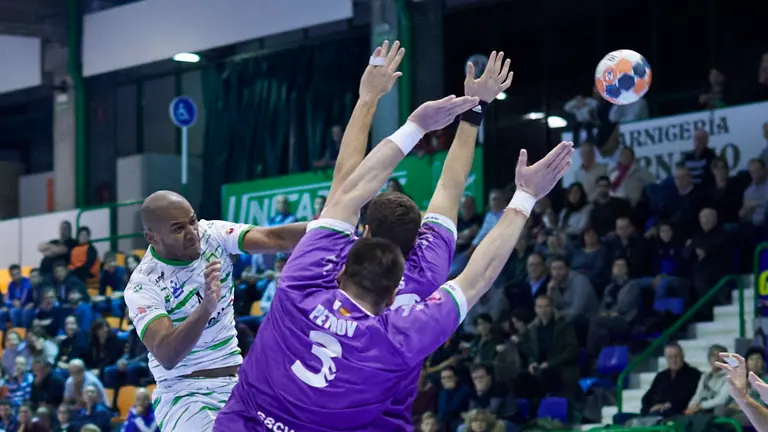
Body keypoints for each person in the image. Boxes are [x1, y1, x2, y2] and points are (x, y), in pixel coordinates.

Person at [214, 90, 573, 429]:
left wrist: (412, 124)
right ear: (390, 300)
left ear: (344, 266)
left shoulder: (299, 284)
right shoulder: (402, 330)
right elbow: (477, 275)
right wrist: (524, 196)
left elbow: (347, 192)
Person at [123, 190, 307, 432]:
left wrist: (334, 230)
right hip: (184, 394)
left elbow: (274, 237)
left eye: (192, 221)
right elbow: (167, 354)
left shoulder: (213, 234)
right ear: (152, 238)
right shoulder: (143, 285)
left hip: (238, 385)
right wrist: (206, 308)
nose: (192, 234)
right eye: (178, 229)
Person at [716, 352, 768, 431]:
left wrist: (742, 404)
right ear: (747, 362)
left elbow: (764, 403)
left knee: (735, 419)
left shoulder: (765, 379)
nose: (755, 362)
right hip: (735, 408)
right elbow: (729, 399)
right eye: (752, 359)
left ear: (763, 362)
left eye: (758, 359)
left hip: (750, 411)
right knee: (719, 410)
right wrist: (735, 402)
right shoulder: (740, 377)